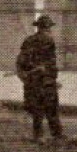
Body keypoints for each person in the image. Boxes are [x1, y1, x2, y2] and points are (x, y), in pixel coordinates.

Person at [15, 14, 64, 142]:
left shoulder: (29, 40)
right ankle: (54, 135)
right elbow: (50, 63)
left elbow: (20, 62)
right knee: (49, 109)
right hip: (42, 81)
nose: (49, 31)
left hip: (37, 81)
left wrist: (25, 77)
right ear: (45, 28)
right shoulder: (48, 41)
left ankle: (41, 135)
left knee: (39, 110)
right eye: (48, 28)